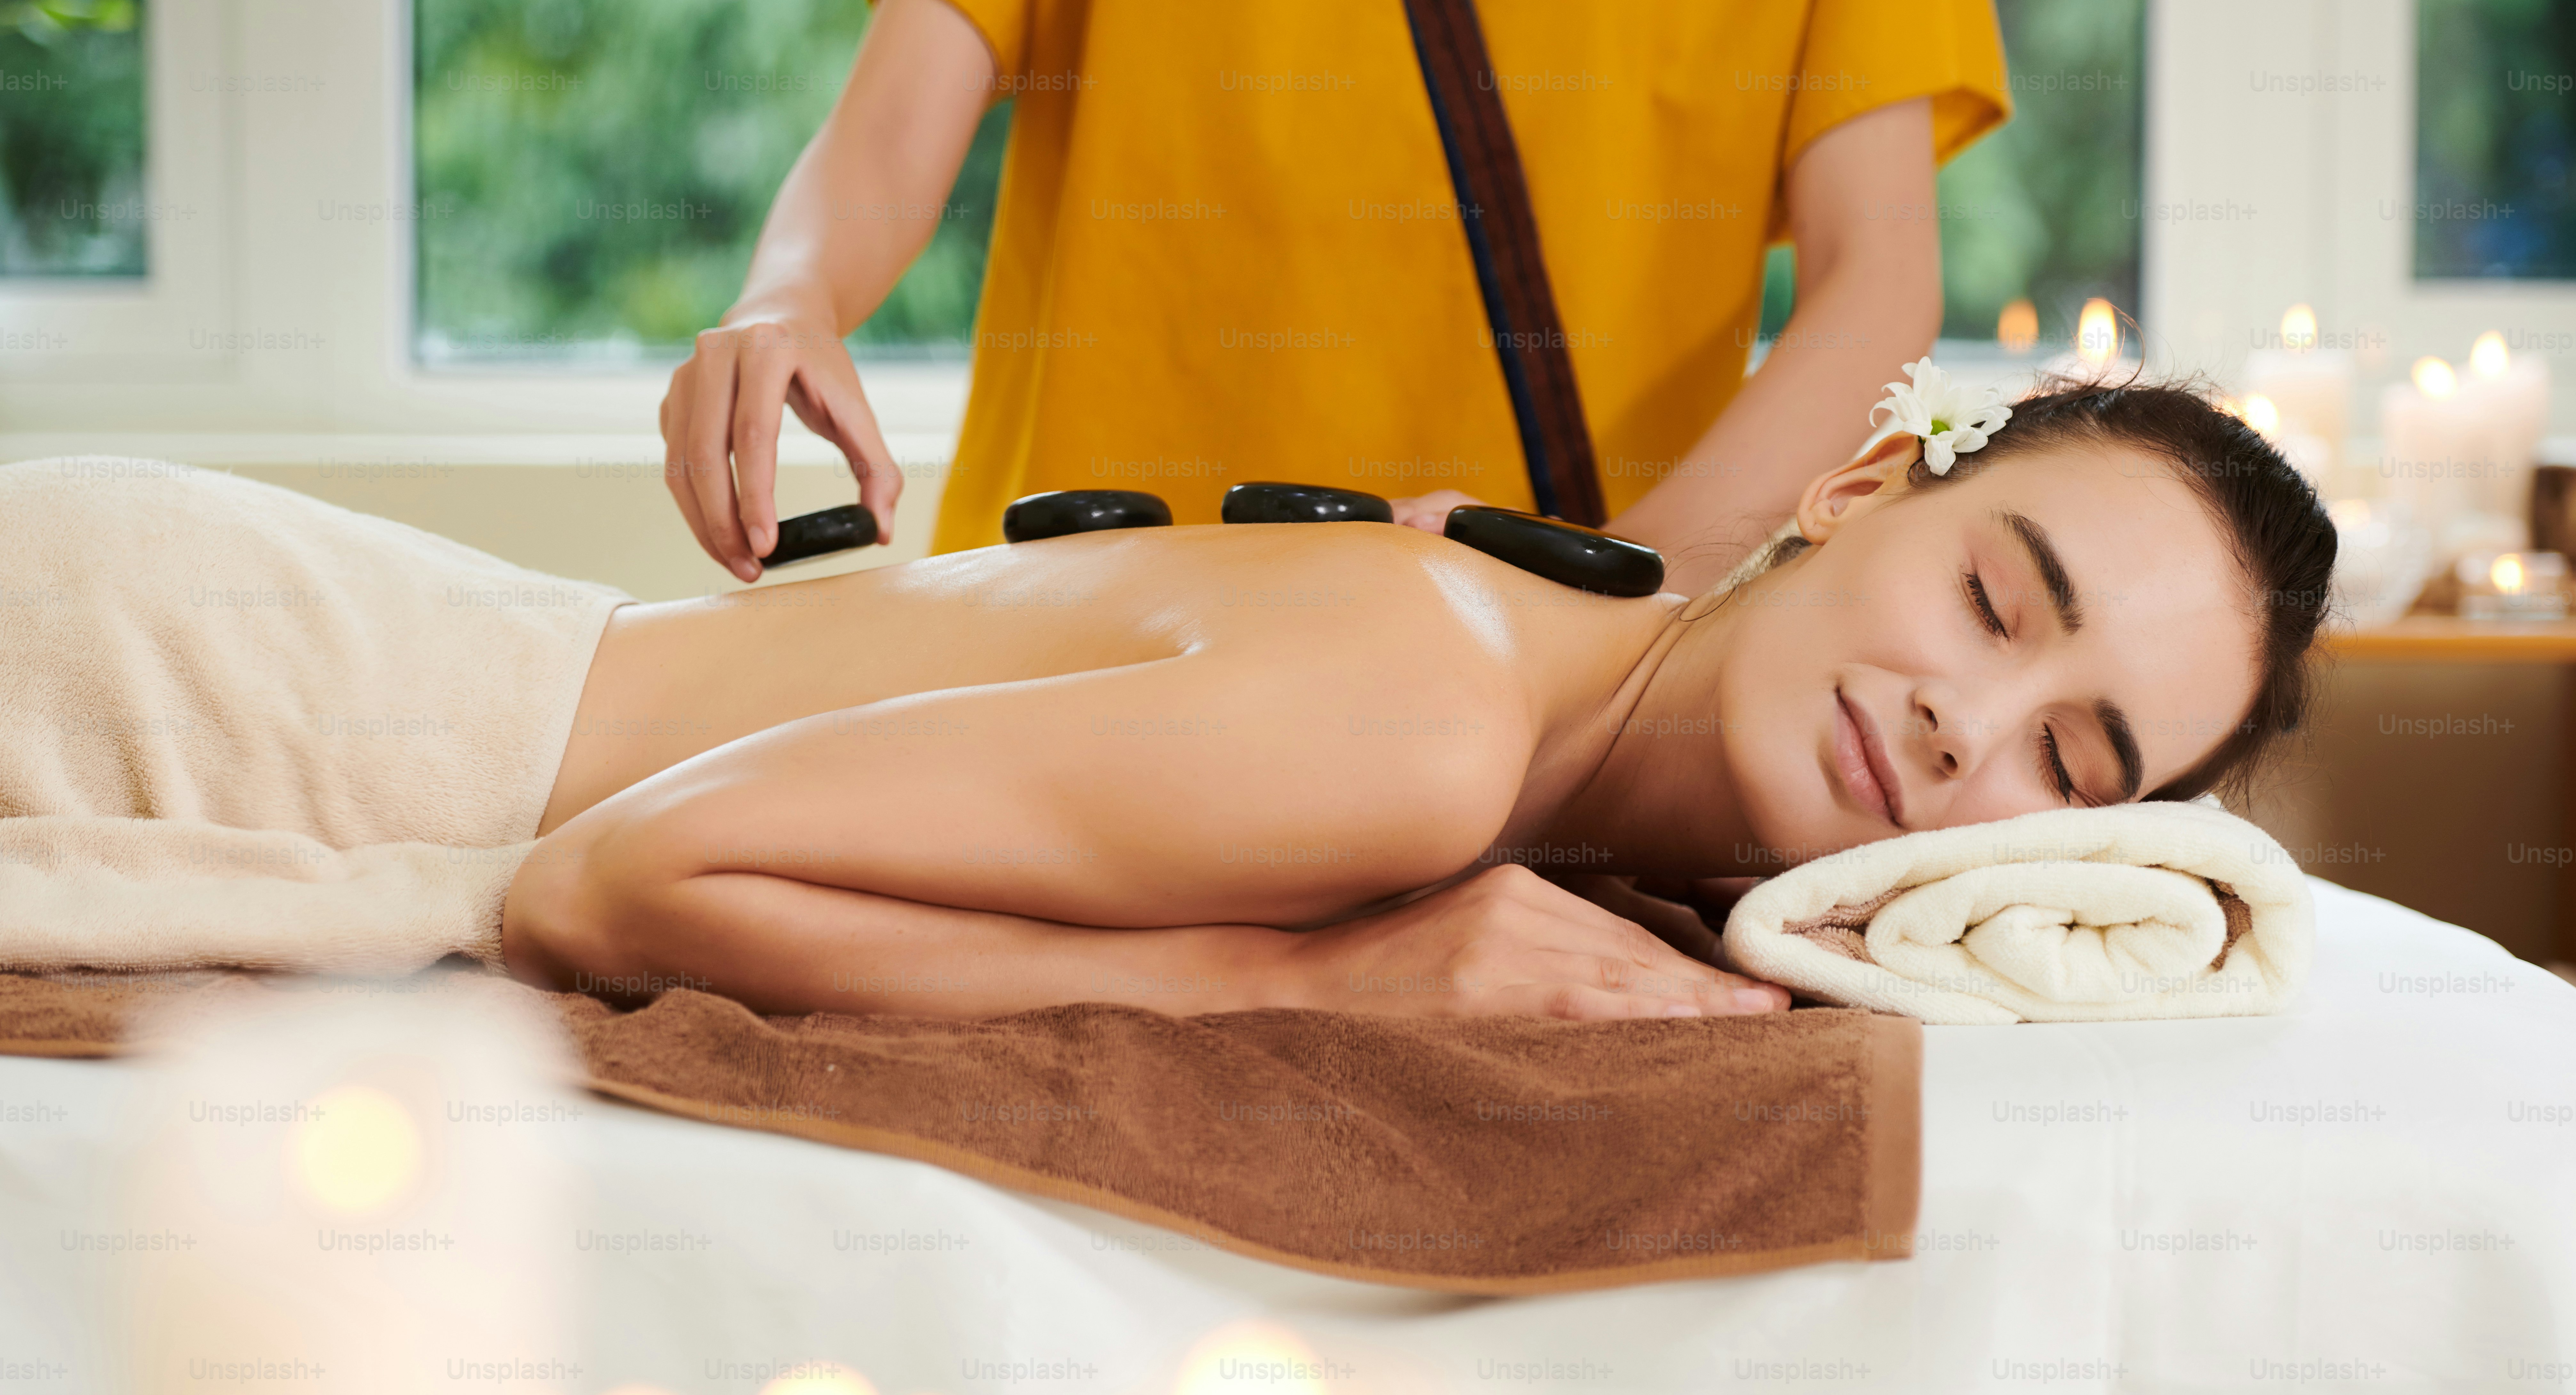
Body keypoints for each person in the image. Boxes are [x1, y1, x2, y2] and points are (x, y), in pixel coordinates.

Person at [501, 376, 2335, 1020]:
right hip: (309, 694)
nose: (1968, 728)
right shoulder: (1432, 726)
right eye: (1994, 599)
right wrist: (1303, 978)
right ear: (1856, 489)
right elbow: (602, 885)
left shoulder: (1533, 699)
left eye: (2067, 765)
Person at [659, 0, 2011, 595]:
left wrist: (1603, 605)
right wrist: (791, 294)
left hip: (1510, 734)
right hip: (1064, 644)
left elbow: (1874, 279)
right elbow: (890, 131)